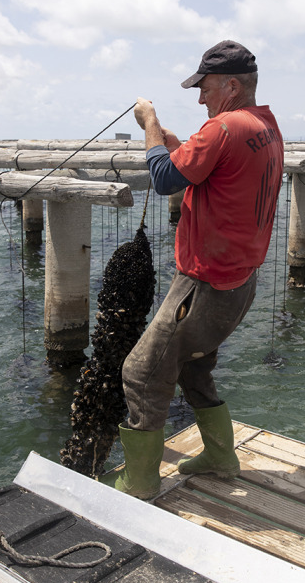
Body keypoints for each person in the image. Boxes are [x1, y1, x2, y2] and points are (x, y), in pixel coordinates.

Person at [114, 40, 284, 499]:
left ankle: (140, 482)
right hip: (240, 282)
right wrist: (171, 144)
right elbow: (208, 167)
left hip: (205, 283)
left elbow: (165, 178)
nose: (199, 98)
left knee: (141, 373)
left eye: (204, 88)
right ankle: (220, 456)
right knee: (193, 368)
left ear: (230, 85)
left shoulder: (224, 127)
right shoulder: (264, 126)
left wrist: (149, 126)